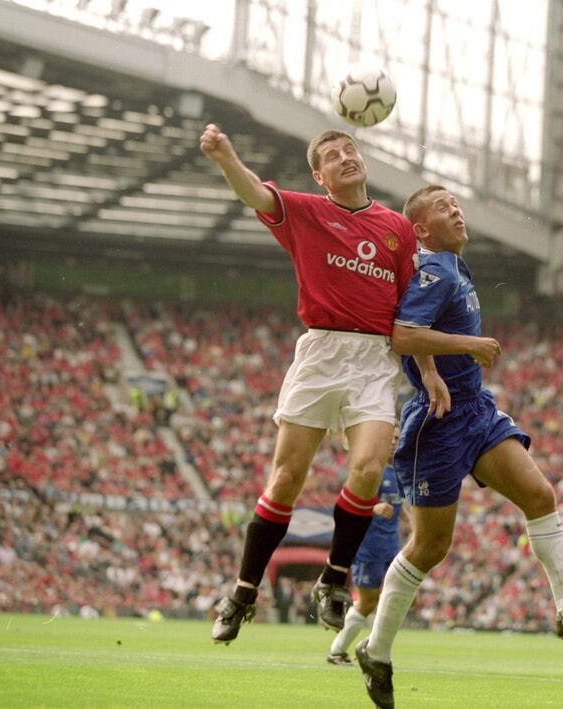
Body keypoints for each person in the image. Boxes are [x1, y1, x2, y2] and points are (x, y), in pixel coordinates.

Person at [354, 185, 563, 709]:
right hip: (435, 426)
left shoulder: (452, 265)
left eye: (456, 202)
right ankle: (377, 651)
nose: (457, 209)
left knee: (540, 495)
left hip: (474, 409)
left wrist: (435, 368)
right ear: (423, 230)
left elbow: (419, 331)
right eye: (442, 207)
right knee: (430, 548)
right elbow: (403, 334)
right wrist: (468, 346)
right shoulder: (435, 269)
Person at [200, 123, 421, 643]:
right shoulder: (305, 212)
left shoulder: (396, 228)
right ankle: (243, 592)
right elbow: (256, 191)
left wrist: (427, 374)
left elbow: (410, 316)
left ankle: (333, 579)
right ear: (319, 176)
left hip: (373, 360)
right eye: (332, 155)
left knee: (367, 470)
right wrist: (226, 155)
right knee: (285, 481)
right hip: (321, 352)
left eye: (351, 149)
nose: (346, 157)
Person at [327, 455, 406, 665]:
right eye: (391, 437)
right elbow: (347, 506)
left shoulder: (397, 473)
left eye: (397, 438)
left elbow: (400, 507)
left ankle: (374, 644)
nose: (394, 442)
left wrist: (417, 528)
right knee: (367, 602)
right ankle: (337, 650)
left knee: (406, 596)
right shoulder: (370, 471)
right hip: (368, 548)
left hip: (392, 547)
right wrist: (374, 508)